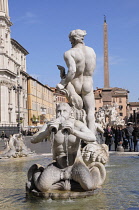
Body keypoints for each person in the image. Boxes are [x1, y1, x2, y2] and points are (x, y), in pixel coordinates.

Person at [30, 103, 106, 191]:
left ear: (70, 114)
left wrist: (74, 132)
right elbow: (33, 139)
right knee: (42, 186)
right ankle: (38, 170)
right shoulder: (50, 125)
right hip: (58, 166)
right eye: (59, 111)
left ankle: (93, 170)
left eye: (64, 111)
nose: (61, 114)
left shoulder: (77, 124)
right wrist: (47, 132)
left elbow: (92, 137)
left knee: (88, 186)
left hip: (75, 165)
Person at [56, 29, 96, 133]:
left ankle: (74, 139)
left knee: (74, 111)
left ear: (72, 39)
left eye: (70, 39)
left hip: (75, 84)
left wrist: (62, 83)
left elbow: (72, 71)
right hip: (88, 83)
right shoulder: (91, 51)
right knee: (90, 112)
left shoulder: (69, 53)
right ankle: (91, 140)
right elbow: (92, 69)